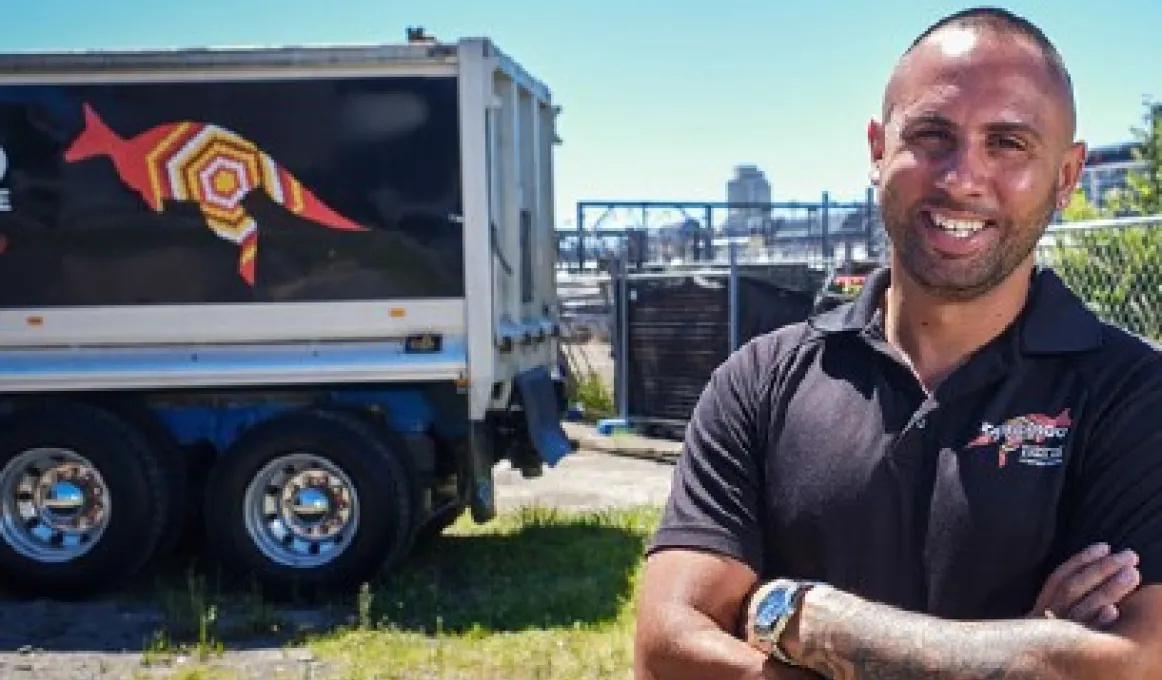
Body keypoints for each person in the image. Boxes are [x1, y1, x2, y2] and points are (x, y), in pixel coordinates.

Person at [634, 7, 1162, 680]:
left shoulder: (1135, 398)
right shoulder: (761, 381)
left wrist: (807, 621)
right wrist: (1028, 650)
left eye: (1008, 142)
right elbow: (665, 650)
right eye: (933, 134)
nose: (961, 177)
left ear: (1066, 177)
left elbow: (1136, 665)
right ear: (878, 149)